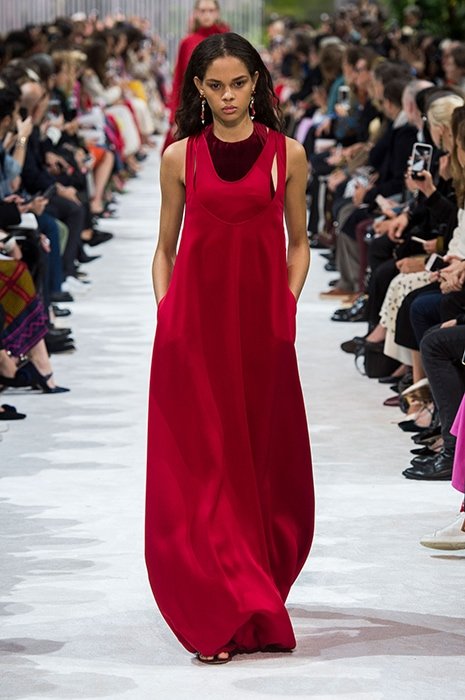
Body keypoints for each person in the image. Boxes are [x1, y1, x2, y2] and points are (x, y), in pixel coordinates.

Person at [146, 32, 314, 665]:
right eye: (215, 86)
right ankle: (215, 609)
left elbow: (300, 242)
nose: (227, 97)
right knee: (207, 468)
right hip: (193, 333)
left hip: (262, 333)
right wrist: (167, 314)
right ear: (197, 88)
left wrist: (285, 309)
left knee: (262, 467)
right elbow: (164, 249)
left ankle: (254, 593)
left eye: (238, 84)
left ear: (257, 84)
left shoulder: (287, 154)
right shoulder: (179, 157)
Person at [161, 0, 229, 153]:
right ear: (196, 13)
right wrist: (174, 117)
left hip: (221, 106)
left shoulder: (227, 39)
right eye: (203, 11)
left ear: (217, 13)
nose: (207, 15)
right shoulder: (187, 42)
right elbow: (179, 80)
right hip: (193, 108)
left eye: (211, 10)